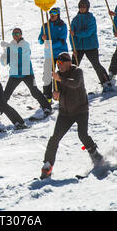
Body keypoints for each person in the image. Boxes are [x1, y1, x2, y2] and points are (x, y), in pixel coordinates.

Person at [40, 52, 104, 180]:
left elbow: (75, 84)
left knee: (82, 135)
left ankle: (95, 155)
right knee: (54, 139)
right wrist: (56, 95)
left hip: (80, 110)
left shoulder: (77, 71)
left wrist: (60, 79)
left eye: (61, 63)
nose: (59, 66)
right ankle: (47, 166)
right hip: (65, 113)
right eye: (57, 63)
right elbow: (58, 93)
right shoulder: (58, 75)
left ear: (68, 62)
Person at [0, 28, 52, 122]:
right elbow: (5, 62)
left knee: (34, 91)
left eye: (17, 33)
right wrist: (4, 54)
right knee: (6, 94)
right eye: (14, 33)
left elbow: (19, 52)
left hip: (27, 73)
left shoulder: (25, 44)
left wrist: (8, 46)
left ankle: (47, 107)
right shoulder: (10, 46)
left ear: (21, 34)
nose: (15, 35)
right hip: (14, 74)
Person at [70, 0, 112, 92]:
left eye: (84, 7)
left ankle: (106, 83)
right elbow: (71, 35)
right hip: (78, 47)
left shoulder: (91, 18)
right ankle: (71, 87)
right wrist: (73, 48)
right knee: (73, 66)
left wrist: (76, 33)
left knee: (96, 65)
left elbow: (88, 32)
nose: (82, 8)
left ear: (87, 8)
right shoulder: (75, 19)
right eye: (80, 6)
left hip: (91, 46)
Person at [38, 7, 68, 102]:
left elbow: (62, 41)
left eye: (54, 13)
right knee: (47, 75)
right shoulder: (45, 25)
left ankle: (60, 95)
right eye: (51, 13)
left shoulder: (62, 25)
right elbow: (40, 40)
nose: (52, 15)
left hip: (60, 54)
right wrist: (42, 38)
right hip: (49, 54)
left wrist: (50, 45)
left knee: (60, 75)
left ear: (58, 15)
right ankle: (47, 97)